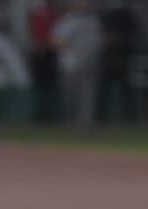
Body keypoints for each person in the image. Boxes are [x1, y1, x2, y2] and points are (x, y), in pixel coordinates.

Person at [53, 0, 101, 133]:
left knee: (88, 95)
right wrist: (72, 51)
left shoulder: (92, 20)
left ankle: (85, 125)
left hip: (90, 61)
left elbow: (98, 39)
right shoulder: (67, 20)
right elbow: (56, 40)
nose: (84, 4)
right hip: (72, 63)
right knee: (71, 95)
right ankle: (70, 122)